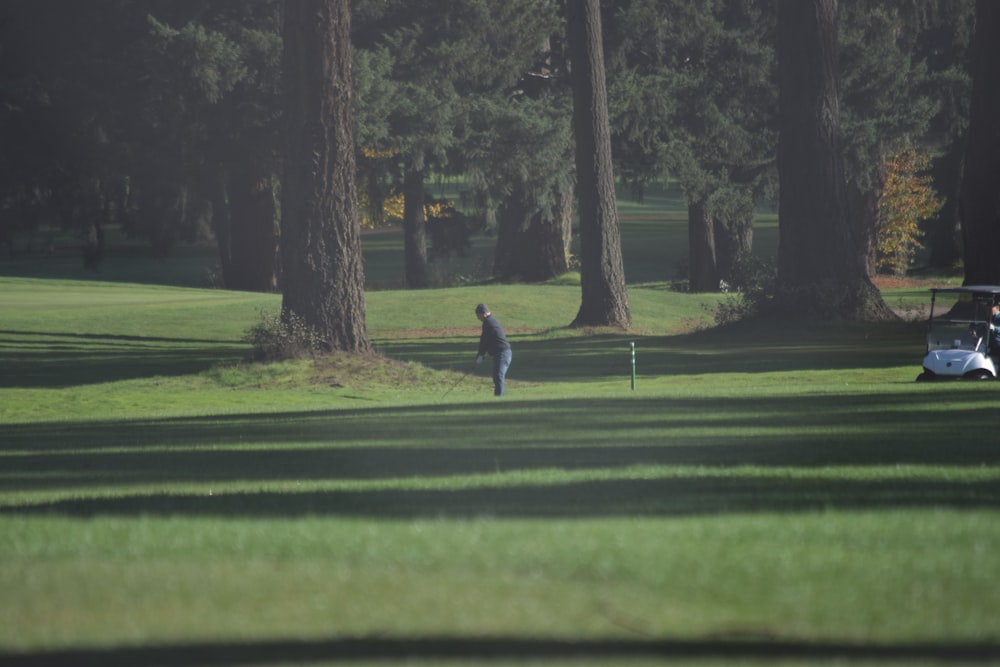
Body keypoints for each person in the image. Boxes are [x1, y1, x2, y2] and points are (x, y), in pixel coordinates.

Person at [474, 303, 512, 396]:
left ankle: (499, 399)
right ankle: (498, 398)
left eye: (478, 315)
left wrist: (480, 355)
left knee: (498, 376)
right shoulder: (490, 321)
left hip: (503, 354)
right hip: (501, 353)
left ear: (483, 313)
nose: (478, 318)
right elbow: (487, 341)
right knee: (497, 377)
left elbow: (484, 341)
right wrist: (481, 355)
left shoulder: (488, 323)